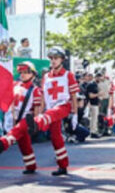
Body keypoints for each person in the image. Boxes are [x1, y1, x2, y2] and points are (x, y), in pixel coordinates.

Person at [31, 46, 79, 176]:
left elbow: (74, 95)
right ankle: (62, 165)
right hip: (50, 110)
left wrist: (75, 113)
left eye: (56, 58)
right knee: (55, 136)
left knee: (53, 114)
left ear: (62, 60)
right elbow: (43, 97)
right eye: (51, 58)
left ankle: (37, 123)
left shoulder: (68, 75)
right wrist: (41, 111)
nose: (53, 60)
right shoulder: (46, 76)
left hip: (64, 105)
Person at [0, 61, 44, 174]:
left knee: (15, 132)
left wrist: (35, 123)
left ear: (33, 74)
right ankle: (31, 166)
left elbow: (37, 108)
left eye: (26, 72)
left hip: (28, 119)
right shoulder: (15, 85)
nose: (23, 74)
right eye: (21, 72)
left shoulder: (36, 90)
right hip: (14, 117)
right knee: (24, 144)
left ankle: (4, 142)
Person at [84, 72, 100, 138]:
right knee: (94, 118)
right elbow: (90, 95)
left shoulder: (94, 84)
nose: (99, 78)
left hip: (95, 103)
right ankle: (93, 132)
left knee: (94, 118)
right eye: (97, 76)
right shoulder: (91, 85)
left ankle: (93, 131)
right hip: (92, 103)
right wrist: (99, 94)